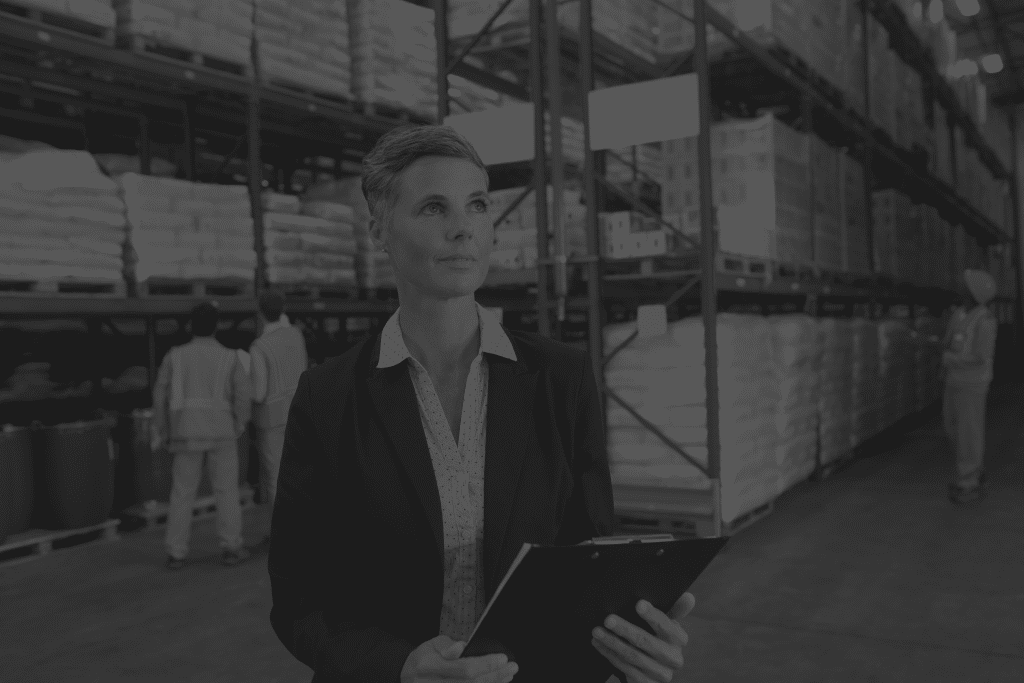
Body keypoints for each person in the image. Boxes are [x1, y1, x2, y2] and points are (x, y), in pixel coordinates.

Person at [268, 125, 696, 683]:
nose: (462, 228)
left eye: (476, 205)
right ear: (380, 230)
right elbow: (300, 604)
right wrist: (398, 666)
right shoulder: (328, 398)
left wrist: (625, 647)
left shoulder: (560, 380)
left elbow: (586, 565)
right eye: (432, 208)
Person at [152, 301, 252, 569]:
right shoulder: (230, 357)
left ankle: (176, 553)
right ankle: (231, 548)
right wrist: (240, 423)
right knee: (227, 491)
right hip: (222, 433)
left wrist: (161, 429)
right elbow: (243, 396)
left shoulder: (175, 356)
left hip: (185, 433)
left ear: (191, 326)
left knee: (182, 493)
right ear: (216, 326)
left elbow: (160, 394)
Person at [249, 288, 308, 539]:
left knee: (275, 478)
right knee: (299, 472)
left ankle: (283, 534)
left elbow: (259, 393)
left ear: (260, 314)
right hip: (299, 413)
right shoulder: (297, 335)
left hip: (272, 420)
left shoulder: (259, 347)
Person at [941, 268, 998, 504]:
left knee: (968, 433)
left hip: (972, 385)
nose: (960, 288)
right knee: (952, 428)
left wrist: (950, 359)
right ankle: (975, 469)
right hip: (953, 381)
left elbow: (980, 356)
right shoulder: (959, 314)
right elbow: (950, 341)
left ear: (974, 292)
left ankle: (969, 482)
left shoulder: (985, 321)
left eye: (965, 285)